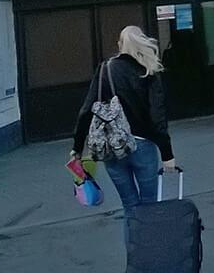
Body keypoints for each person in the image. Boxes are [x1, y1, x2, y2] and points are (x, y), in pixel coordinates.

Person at [71, 26, 177, 225]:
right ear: (142, 43)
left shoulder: (106, 69)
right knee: (149, 206)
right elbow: (158, 117)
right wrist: (167, 155)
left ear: (120, 45)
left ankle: (135, 252)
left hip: (112, 148)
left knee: (130, 207)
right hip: (143, 147)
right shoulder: (148, 70)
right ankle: (151, 252)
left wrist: (77, 147)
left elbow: (86, 110)